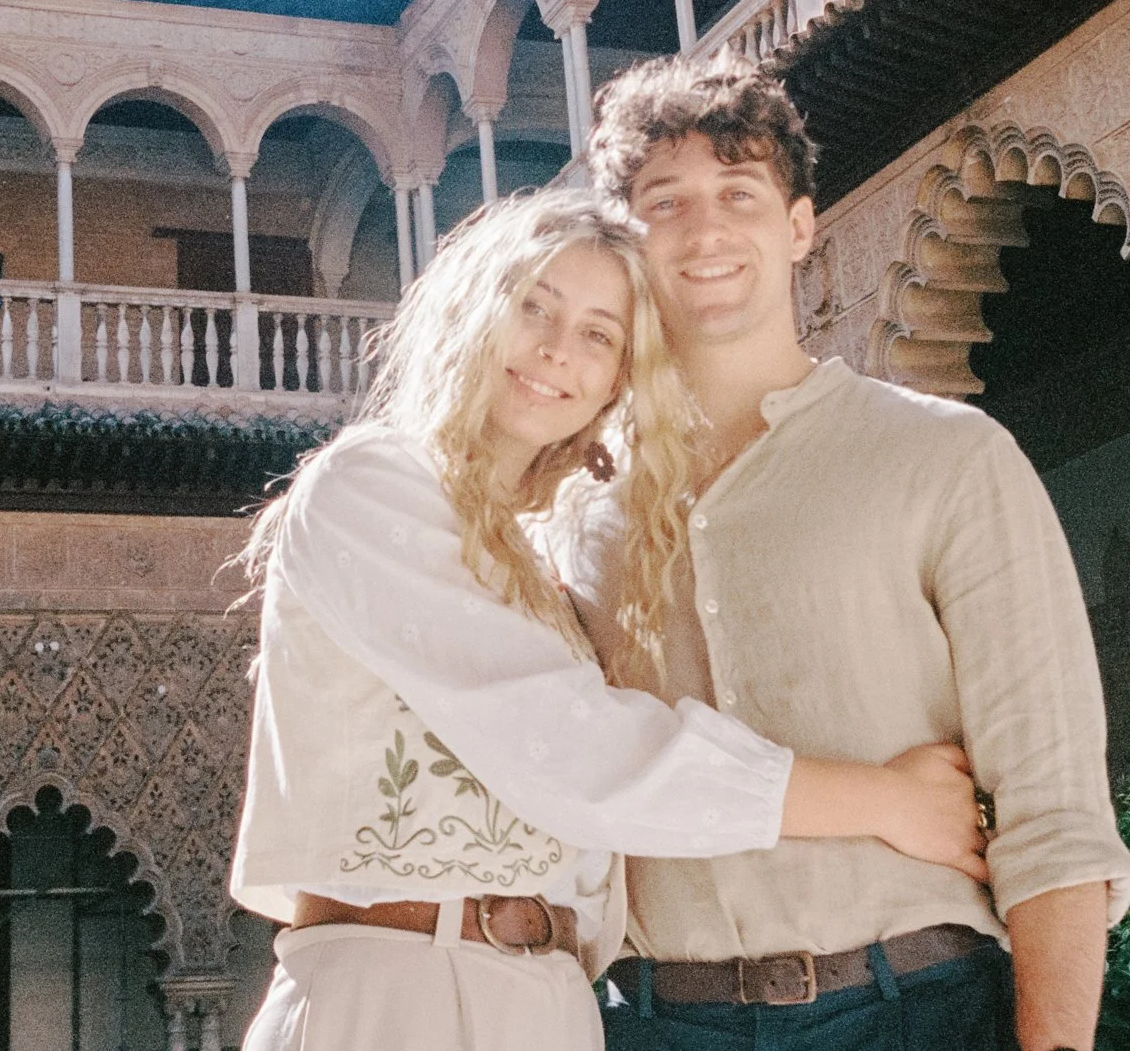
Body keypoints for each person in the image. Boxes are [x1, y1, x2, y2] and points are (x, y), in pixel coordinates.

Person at [229, 189, 988, 1051]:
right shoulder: (373, 486)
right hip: (400, 994)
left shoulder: (537, 566)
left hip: (555, 1004)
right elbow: (577, 749)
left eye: (600, 334)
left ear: (621, 380)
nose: (558, 350)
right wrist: (884, 800)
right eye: (534, 308)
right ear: (472, 310)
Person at [551, 55, 1130, 1051]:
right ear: (624, 242)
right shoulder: (573, 513)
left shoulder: (945, 458)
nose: (703, 232)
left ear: (795, 227)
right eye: (665, 203)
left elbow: (1053, 814)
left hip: (917, 1009)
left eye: (738, 193)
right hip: (650, 1022)